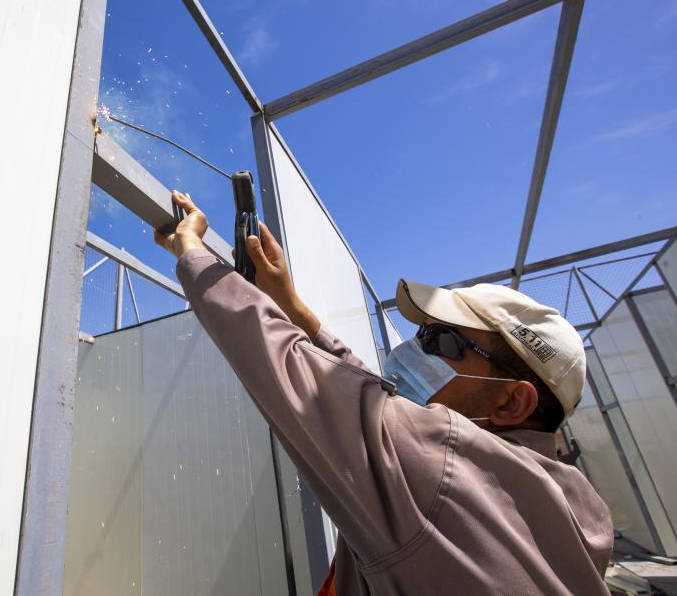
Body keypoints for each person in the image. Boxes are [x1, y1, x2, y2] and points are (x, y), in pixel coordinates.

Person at [154, 190, 612, 595]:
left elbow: (288, 365)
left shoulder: (442, 467)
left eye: (441, 341)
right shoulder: (573, 502)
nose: (416, 349)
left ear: (511, 401)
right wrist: (290, 305)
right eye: (422, 334)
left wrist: (191, 249)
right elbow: (367, 397)